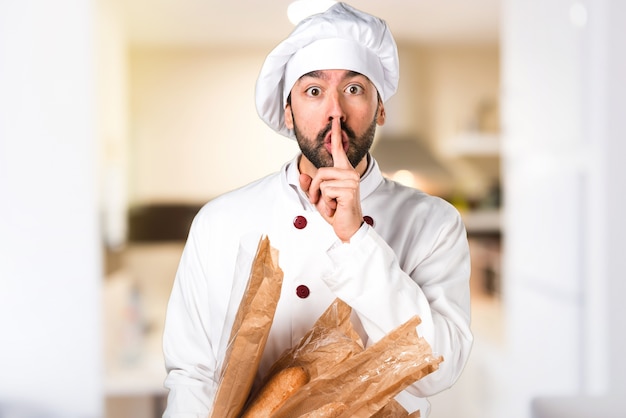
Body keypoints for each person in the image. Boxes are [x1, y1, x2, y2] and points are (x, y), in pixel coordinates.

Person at [161, 2, 473, 417]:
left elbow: (438, 370)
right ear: (288, 112)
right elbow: (193, 374)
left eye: (354, 89)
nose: (335, 111)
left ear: (380, 109)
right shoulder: (221, 221)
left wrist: (356, 238)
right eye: (313, 91)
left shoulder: (435, 222)